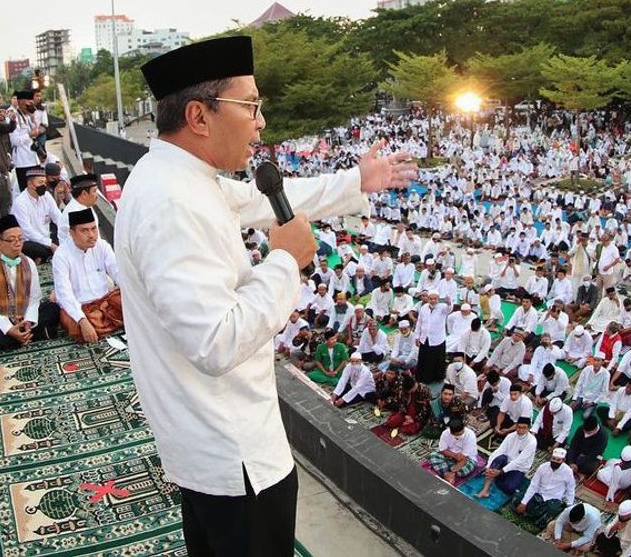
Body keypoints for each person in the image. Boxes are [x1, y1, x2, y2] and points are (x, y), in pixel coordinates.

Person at [115, 36, 415, 556]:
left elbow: (263, 198)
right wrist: (284, 260)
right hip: (235, 457)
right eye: (250, 105)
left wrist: (355, 180)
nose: (261, 122)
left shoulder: (179, 177)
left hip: (213, 444)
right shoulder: (172, 203)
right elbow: (215, 341)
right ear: (199, 116)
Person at [0, 215, 62, 351]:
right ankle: (31, 335)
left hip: (24, 313)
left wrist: (29, 320)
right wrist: (9, 329)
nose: (18, 243)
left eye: (20, 239)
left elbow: (34, 298)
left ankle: (23, 336)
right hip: (2, 317)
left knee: (53, 308)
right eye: (11, 239)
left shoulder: (28, 263)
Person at [53, 208, 122, 343]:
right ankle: (109, 323)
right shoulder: (61, 255)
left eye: (94, 229)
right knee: (74, 325)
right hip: (80, 307)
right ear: (72, 233)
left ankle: (103, 323)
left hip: (104, 302)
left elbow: (118, 274)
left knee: (126, 300)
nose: (91, 235)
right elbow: (65, 294)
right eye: (85, 230)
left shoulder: (102, 246)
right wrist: (82, 321)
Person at [477, 417, 537, 498]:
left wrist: (501, 471)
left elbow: (519, 461)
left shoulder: (532, 442)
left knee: (509, 488)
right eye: (519, 427)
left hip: (519, 467)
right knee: (499, 458)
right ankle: (485, 490)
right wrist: (488, 466)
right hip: (505, 461)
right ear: (516, 427)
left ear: (529, 428)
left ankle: (495, 475)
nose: (521, 430)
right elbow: (499, 451)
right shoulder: (511, 436)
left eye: (524, 428)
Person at [11, 166, 61, 262]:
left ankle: (44, 257)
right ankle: (45, 256)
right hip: (30, 241)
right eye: (40, 183)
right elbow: (27, 232)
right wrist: (50, 244)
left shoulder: (46, 196)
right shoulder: (20, 203)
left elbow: (58, 217)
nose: (44, 186)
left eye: (44, 182)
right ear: (30, 184)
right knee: (31, 248)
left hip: (47, 236)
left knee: (63, 237)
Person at [516, 447, 576, 525]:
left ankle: (534, 516)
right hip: (538, 494)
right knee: (518, 500)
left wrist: (569, 507)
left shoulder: (568, 472)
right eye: (553, 459)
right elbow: (534, 485)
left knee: (550, 512)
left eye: (558, 460)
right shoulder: (543, 467)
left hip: (553, 499)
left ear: (563, 460)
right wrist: (524, 503)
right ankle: (531, 513)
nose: (555, 461)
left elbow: (570, 489)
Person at [429, 419, 480, 486]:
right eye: (458, 434)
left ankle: (448, 472)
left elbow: (464, 458)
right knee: (434, 455)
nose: (461, 435)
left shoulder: (470, 435)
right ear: (451, 432)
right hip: (451, 455)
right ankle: (446, 474)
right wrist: (454, 455)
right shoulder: (445, 434)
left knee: (463, 472)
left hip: (467, 459)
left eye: (462, 432)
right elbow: (443, 449)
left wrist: (453, 472)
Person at [57, 173, 100, 245]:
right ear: (84, 194)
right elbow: (87, 243)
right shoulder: (75, 212)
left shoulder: (85, 206)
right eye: (94, 191)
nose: (97, 195)